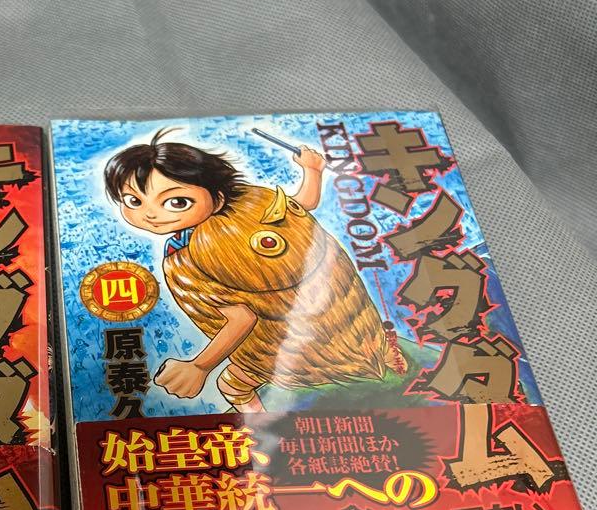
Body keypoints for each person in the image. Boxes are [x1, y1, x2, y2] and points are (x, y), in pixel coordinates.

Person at [103, 130, 404, 412]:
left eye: (177, 202)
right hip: (337, 321)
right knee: (366, 341)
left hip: (286, 343)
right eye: (133, 201)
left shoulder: (209, 249)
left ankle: (259, 428)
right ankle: (385, 354)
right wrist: (312, 171)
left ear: (217, 198)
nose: (150, 214)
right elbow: (302, 205)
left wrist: (200, 366)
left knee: (232, 385)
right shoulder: (253, 203)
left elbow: (242, 318)